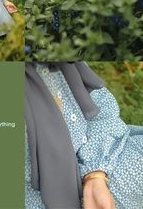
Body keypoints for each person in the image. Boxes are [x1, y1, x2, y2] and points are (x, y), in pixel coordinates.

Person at [25, 62, 143, 209]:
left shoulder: (63, 62)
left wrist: (95, 173)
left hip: (107, 161)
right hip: (48, 197)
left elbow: (103, 109)